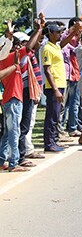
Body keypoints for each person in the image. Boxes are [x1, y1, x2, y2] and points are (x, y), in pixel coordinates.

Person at [0, 19, 44, 171]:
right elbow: (30, 45)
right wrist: (39, 29)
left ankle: (1, 160)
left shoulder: (9, 58)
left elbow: (30, 46)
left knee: (7, 132)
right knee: (14, 131)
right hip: (13, 98)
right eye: (15, 44)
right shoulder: (9, 58)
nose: (19, 46)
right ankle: (14, 163)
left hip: (10, 99)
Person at [42, 23, 69, 153]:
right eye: (57, 32)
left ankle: (53, 140)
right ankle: (49, 143)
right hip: (54, 87)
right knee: (52, 116)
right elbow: (47, 70)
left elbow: (65, 40)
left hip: (60, 84)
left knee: (56, 115)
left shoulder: (56, 46)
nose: (60, 34)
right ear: (51, 34)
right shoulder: (47, 48)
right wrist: (55, 90)